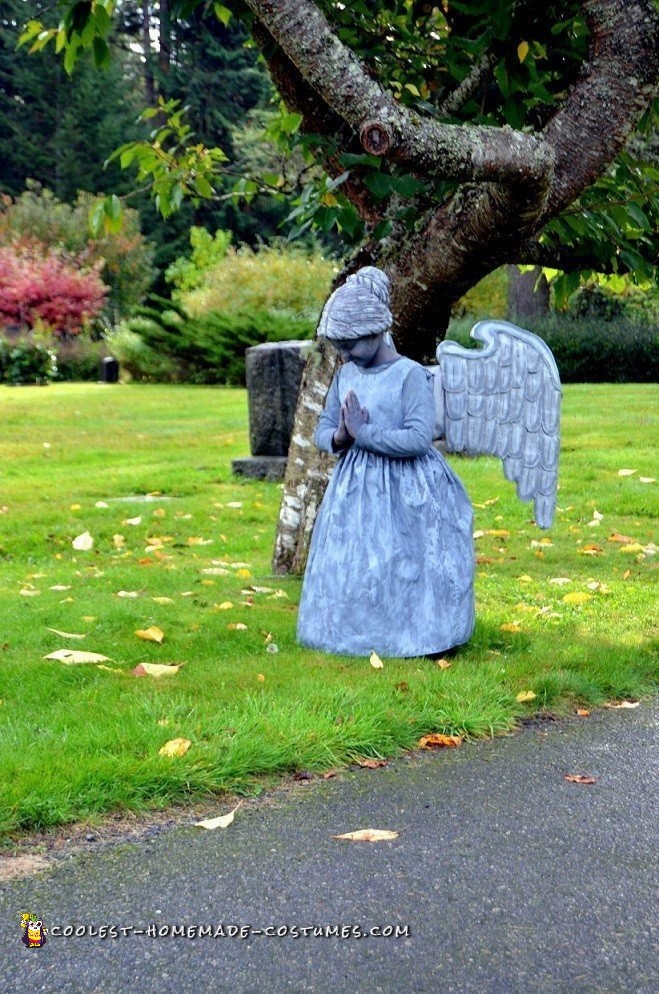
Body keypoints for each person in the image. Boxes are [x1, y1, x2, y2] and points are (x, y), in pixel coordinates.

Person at [296, 266, 475, 659]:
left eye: (352, 344)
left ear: (378, 331)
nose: (344, 354)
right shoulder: (346, 374)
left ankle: (419, 636)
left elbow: (417, 437)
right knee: (359, 561)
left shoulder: (410, 376)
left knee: (406, 561)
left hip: (408, 487)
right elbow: (323, 429)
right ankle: (360, 634)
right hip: (356, 489)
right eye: (339, 346)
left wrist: (365, 434)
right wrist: (341, 436)